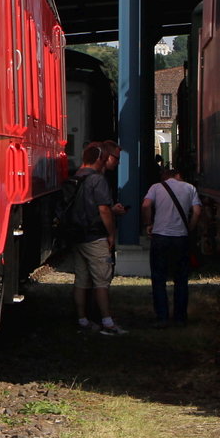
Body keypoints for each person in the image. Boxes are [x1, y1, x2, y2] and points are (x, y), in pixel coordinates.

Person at [71, 143, 128, 335]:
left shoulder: (76, 177)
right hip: (95, 237)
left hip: (77, 236)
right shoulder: (98, 180)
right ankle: (107, 322)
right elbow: (103, 209)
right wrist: (111, 233)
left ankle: (82, 319)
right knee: (102, 281)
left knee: (81, 280)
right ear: (98, 159)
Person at [141, 168, 202, 327]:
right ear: (178, 175)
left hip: (160, 237)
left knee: (159, 277)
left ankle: (162, 316)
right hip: (181, 238)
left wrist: (149, 224)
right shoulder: (190, 188)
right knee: (181, 278)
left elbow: (146, 205)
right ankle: (180, 317)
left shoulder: (155, 187)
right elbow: (197, 211)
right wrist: (190, 228)